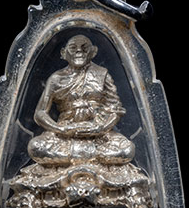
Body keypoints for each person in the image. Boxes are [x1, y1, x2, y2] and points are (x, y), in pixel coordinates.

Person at [27, 34, 135, 167]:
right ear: (64, 53)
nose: (79, 51)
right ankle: (92, 158)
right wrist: (60, 129)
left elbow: (115, 110)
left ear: (93, 52)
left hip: (98, 134)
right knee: (35, 147)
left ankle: (72, 159)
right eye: (73, 48)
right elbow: (40, 113)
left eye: (84, 48)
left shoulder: (102, 74)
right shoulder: (56, 79)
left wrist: (101, 128)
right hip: (66, 133)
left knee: (127, 149)